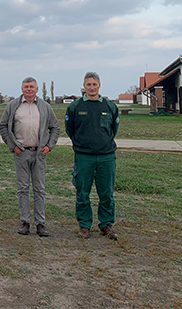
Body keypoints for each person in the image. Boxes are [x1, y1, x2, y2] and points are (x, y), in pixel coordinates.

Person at [0, 77, 59, 237]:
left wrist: (49, 146)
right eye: (26, 87)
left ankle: (40, 224)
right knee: (23, 189)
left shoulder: (45, 107)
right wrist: (13, 146)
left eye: (31, 87)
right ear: (21, 89)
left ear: (37, 89)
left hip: (39, 153)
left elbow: (55, 127)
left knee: (39, 189)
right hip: (21, 152)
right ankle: (25, 222)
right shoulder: (13, 106)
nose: (29, 89)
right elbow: (3, 126)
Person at [65, 72, 120, 240]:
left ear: (99, 85)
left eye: (94, 84)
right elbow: (70, 129)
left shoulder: (110, 107)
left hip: (106, 156)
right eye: (88, 84)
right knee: (82, 192)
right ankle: (84, 225)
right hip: (84, 157)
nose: (91, 87)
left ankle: (106, 224)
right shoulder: (75, 107)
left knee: (107, 193)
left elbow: (113, 130)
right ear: (84, 86)